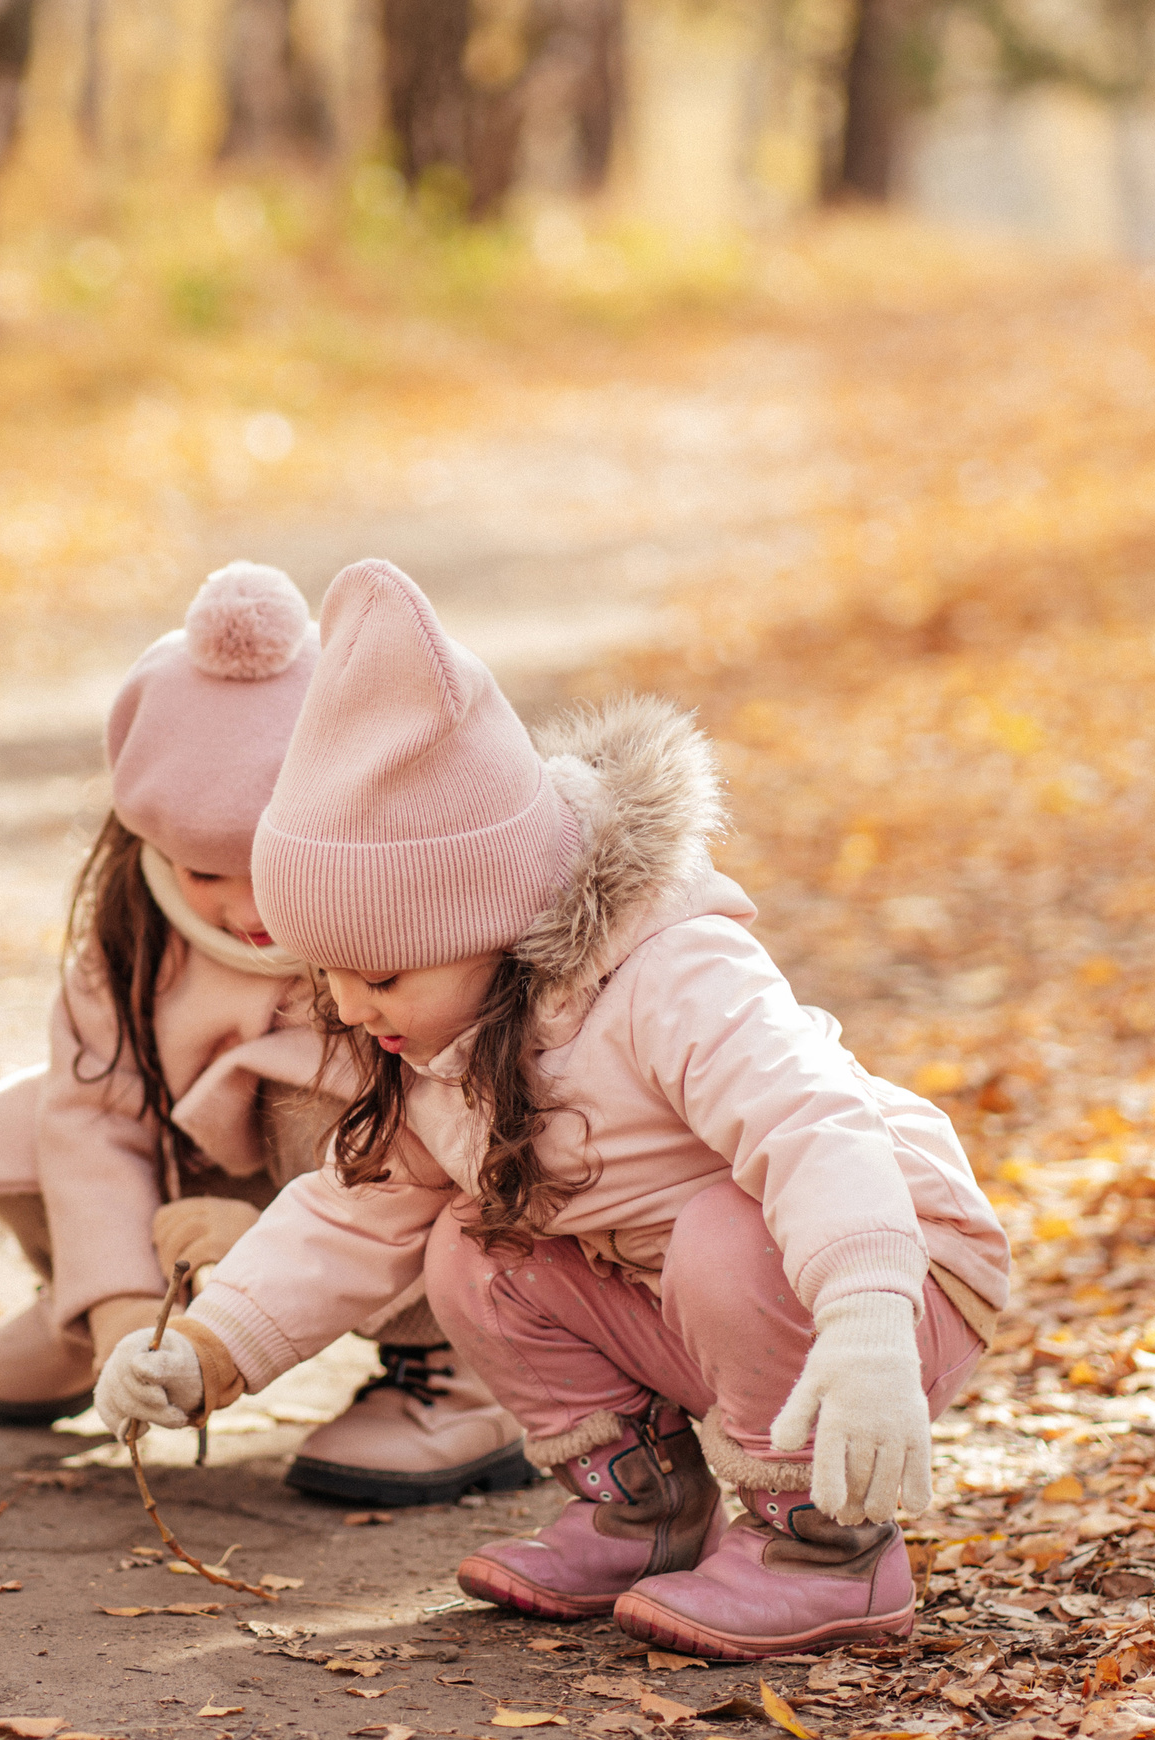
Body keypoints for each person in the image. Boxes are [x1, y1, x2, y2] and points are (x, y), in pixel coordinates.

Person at [95, 560, 1010, 1660]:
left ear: (492, 917)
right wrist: (208, 1350)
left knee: (727, 1228)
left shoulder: (672, 977)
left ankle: (829, 1544)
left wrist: (866, 1320)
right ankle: (643, 1511)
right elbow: (351, 1211)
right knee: (469, 1243)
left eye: (380, 974)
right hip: (701, 1297)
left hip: (883, 1276)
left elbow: (813, 1127)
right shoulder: (434, 1033)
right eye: (330, 973)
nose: (349, 1005)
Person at [0, 562, 535, 1507]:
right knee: (47, 1129)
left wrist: (262, 1246)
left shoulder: (399, 933)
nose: (249, 910)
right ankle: (107, 1307)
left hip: (379, 1191)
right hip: (220, 1187)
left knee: (327, 1113)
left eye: (267, 862)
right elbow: (96, 1121)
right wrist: (118, 1306)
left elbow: (437, 1155)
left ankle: (454, 1373)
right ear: (149, 843)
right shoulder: (134, 938)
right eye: (206, 872)